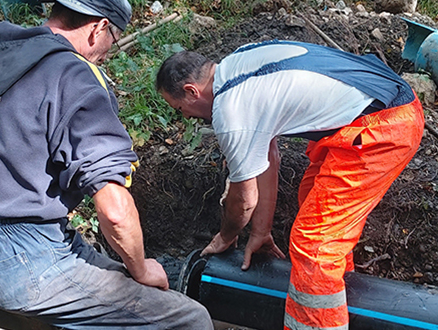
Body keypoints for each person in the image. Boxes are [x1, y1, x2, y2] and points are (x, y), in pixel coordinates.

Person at [0, 0, 212, 328]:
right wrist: (141, 268)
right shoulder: (74, 75)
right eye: (113, 40)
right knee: (189, 319)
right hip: (22, 262)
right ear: (99, 29)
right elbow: (116, 213)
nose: (108, 51)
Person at [155, 41, 424, 330]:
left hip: (382, 126)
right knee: (314, 203)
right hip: (364, 115)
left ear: (191, 91)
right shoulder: (239, 61)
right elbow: (268, 156)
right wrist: (261, 231)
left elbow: (243, 200)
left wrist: (225, 235)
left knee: (315, 244)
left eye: (180, 107)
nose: (185, 116)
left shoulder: (231, 112)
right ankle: (338, 293)